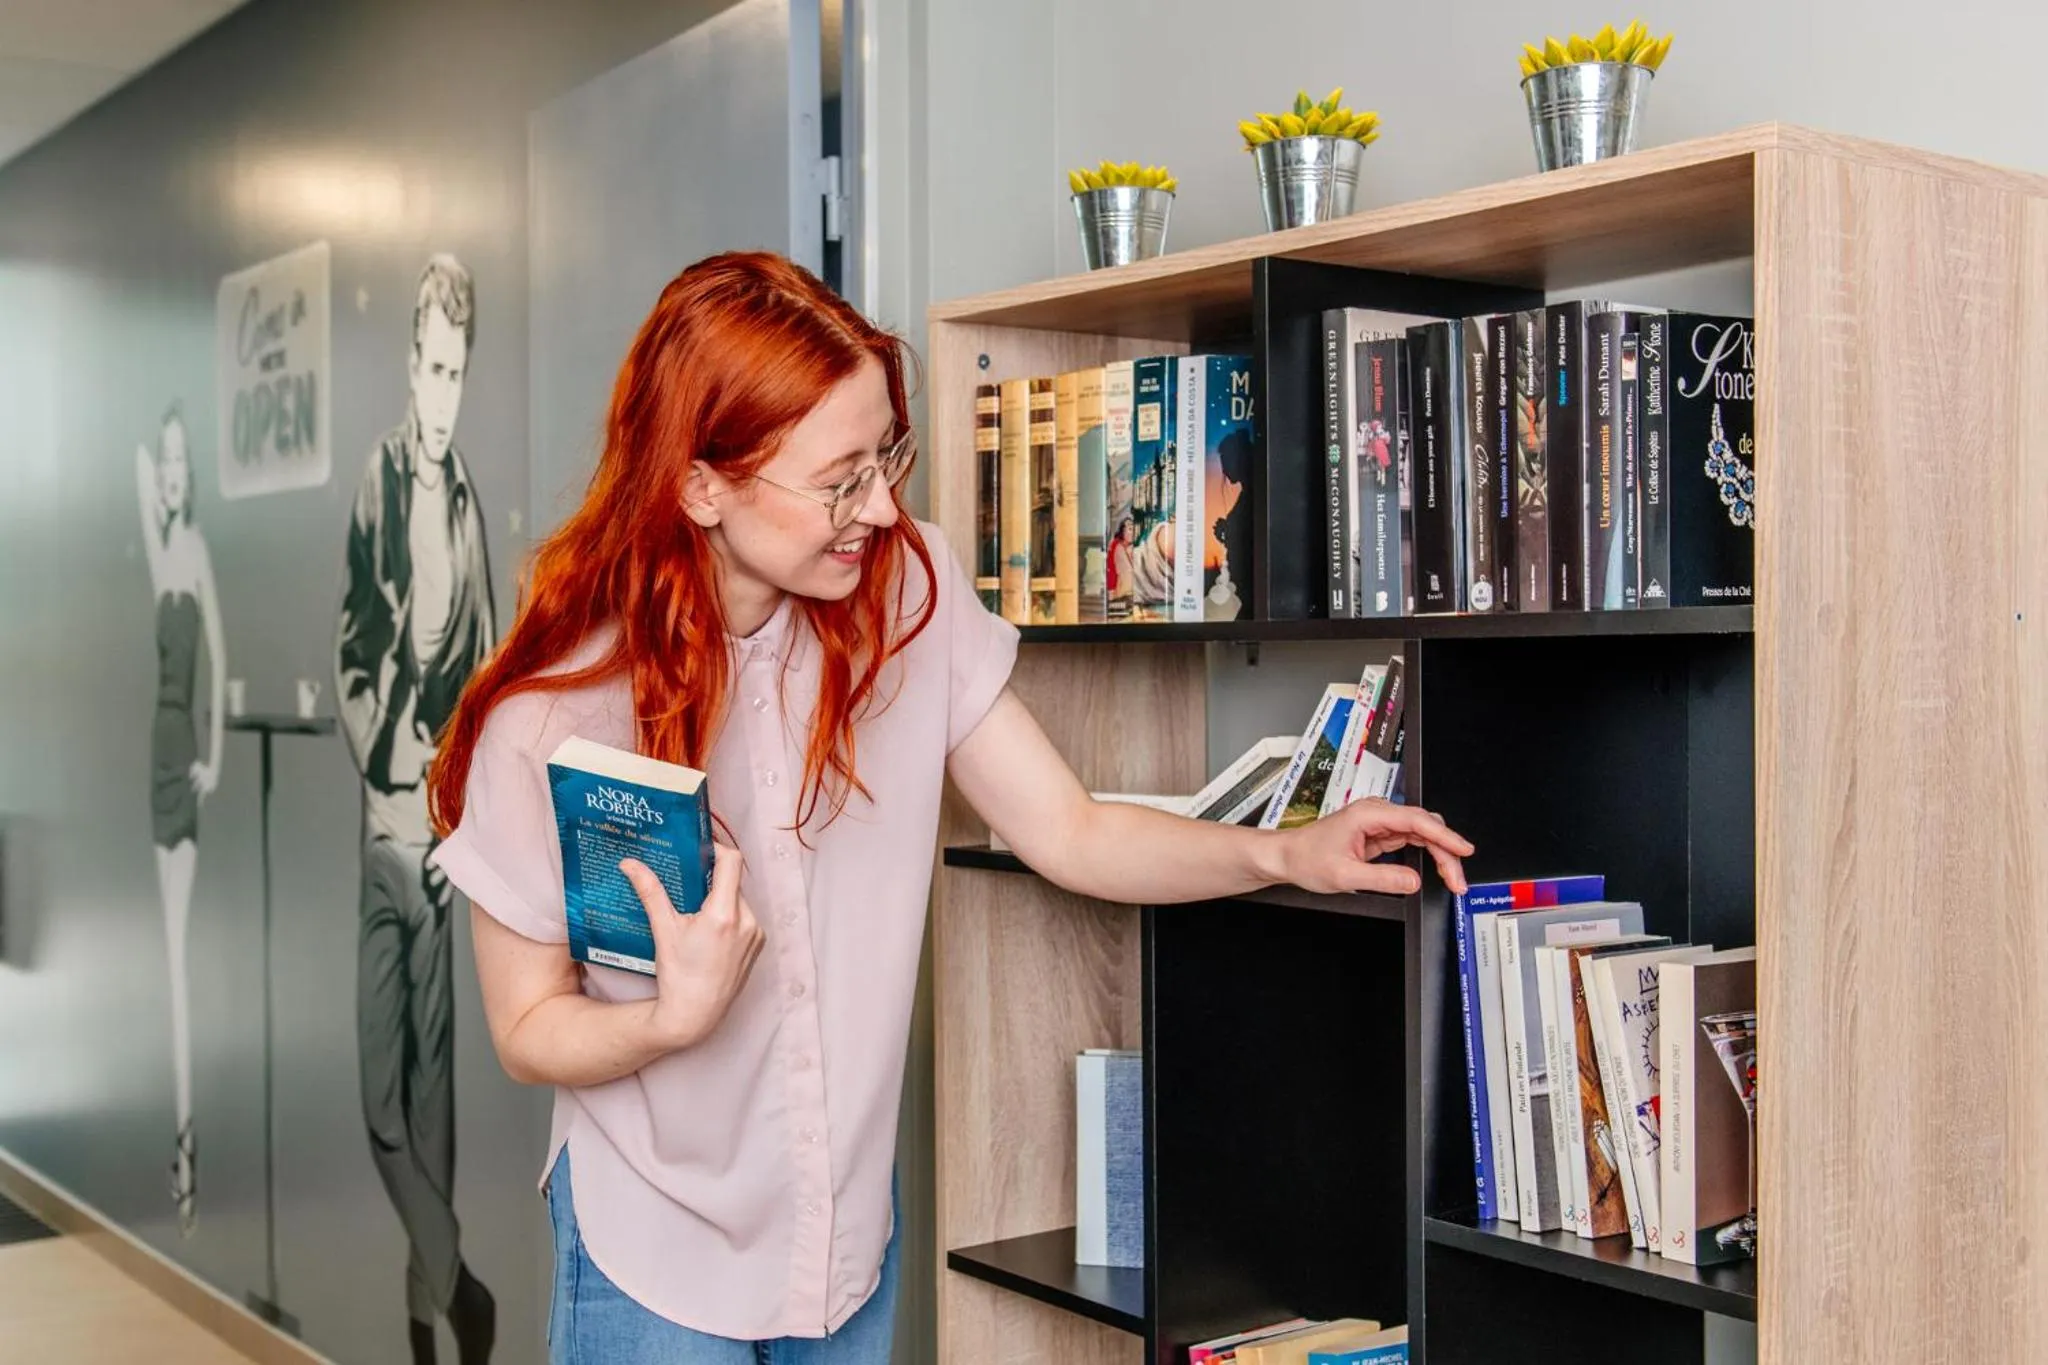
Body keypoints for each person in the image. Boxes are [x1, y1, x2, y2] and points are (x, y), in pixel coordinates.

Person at [424, 252, 1472, 1364]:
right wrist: (668, 1021)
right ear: (700, 486)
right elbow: (527, 1027)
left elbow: (1069, 830)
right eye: (839, 480)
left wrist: (1290, 852)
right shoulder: (557, 712)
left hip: (842, 1246)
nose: (879, 507)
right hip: (653, 1255)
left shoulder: (906, 589)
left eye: (887, 457)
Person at [334, 253, 498, 1364]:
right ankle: (464, 1292)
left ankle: (420, 1334)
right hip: (383, 837)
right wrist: (386, 760)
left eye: (457, 375)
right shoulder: (380, 484)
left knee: (433, 1116)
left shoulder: (469, 501)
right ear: (408, 365)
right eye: (430, 370)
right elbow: (355, 647)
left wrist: (467, 828)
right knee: (379, 1106)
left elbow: (486, 675)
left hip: (439, 848)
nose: (441, 397)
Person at [133, 404, 224, 1238]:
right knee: (166, 953)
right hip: (154, 748)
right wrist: (155, 432)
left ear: (188, 476)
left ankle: (189, 1142)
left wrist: (216, 759)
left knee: (181, 956)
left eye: (176, 466)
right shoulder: (160, 544)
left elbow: (222, 661)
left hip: (183, 752)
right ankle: (180, 1141)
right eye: (161, 466)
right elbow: (134, 475)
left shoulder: (191, 552)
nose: (166, 478)